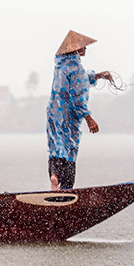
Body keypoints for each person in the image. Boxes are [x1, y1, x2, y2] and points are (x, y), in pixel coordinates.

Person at [47, 30, 113, 190]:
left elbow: (80, 79)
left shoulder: (61, 64)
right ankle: (66, 190)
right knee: (70, 148)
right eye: (82, 46)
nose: (85, 49)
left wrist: (97, 76)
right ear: (75, 49)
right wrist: (89, 119)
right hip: (68, 116)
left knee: (56, 146)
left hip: (53, 113)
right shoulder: (76, 68)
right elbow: (78, 97)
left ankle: (54, 175)